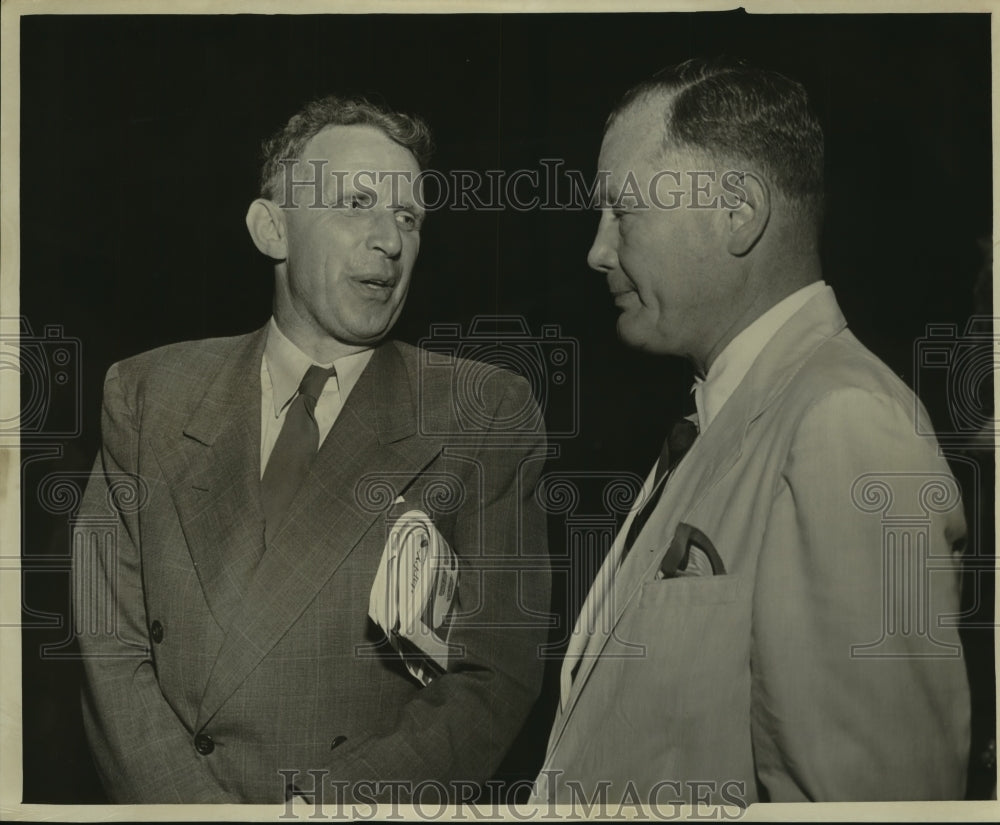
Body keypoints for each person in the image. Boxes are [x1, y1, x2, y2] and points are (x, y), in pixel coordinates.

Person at [72, 95, 550, 804]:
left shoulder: (481, 411)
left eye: (409, 217)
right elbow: (109, 644)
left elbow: (494, 674)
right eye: (357, 203)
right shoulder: (148, 393)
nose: (390, 240)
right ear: (272, 229)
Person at [531, 58, 970, 806]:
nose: (598, 250)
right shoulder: (727, 416)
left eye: (622, 211)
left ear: (738, 212)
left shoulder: (844, 423)